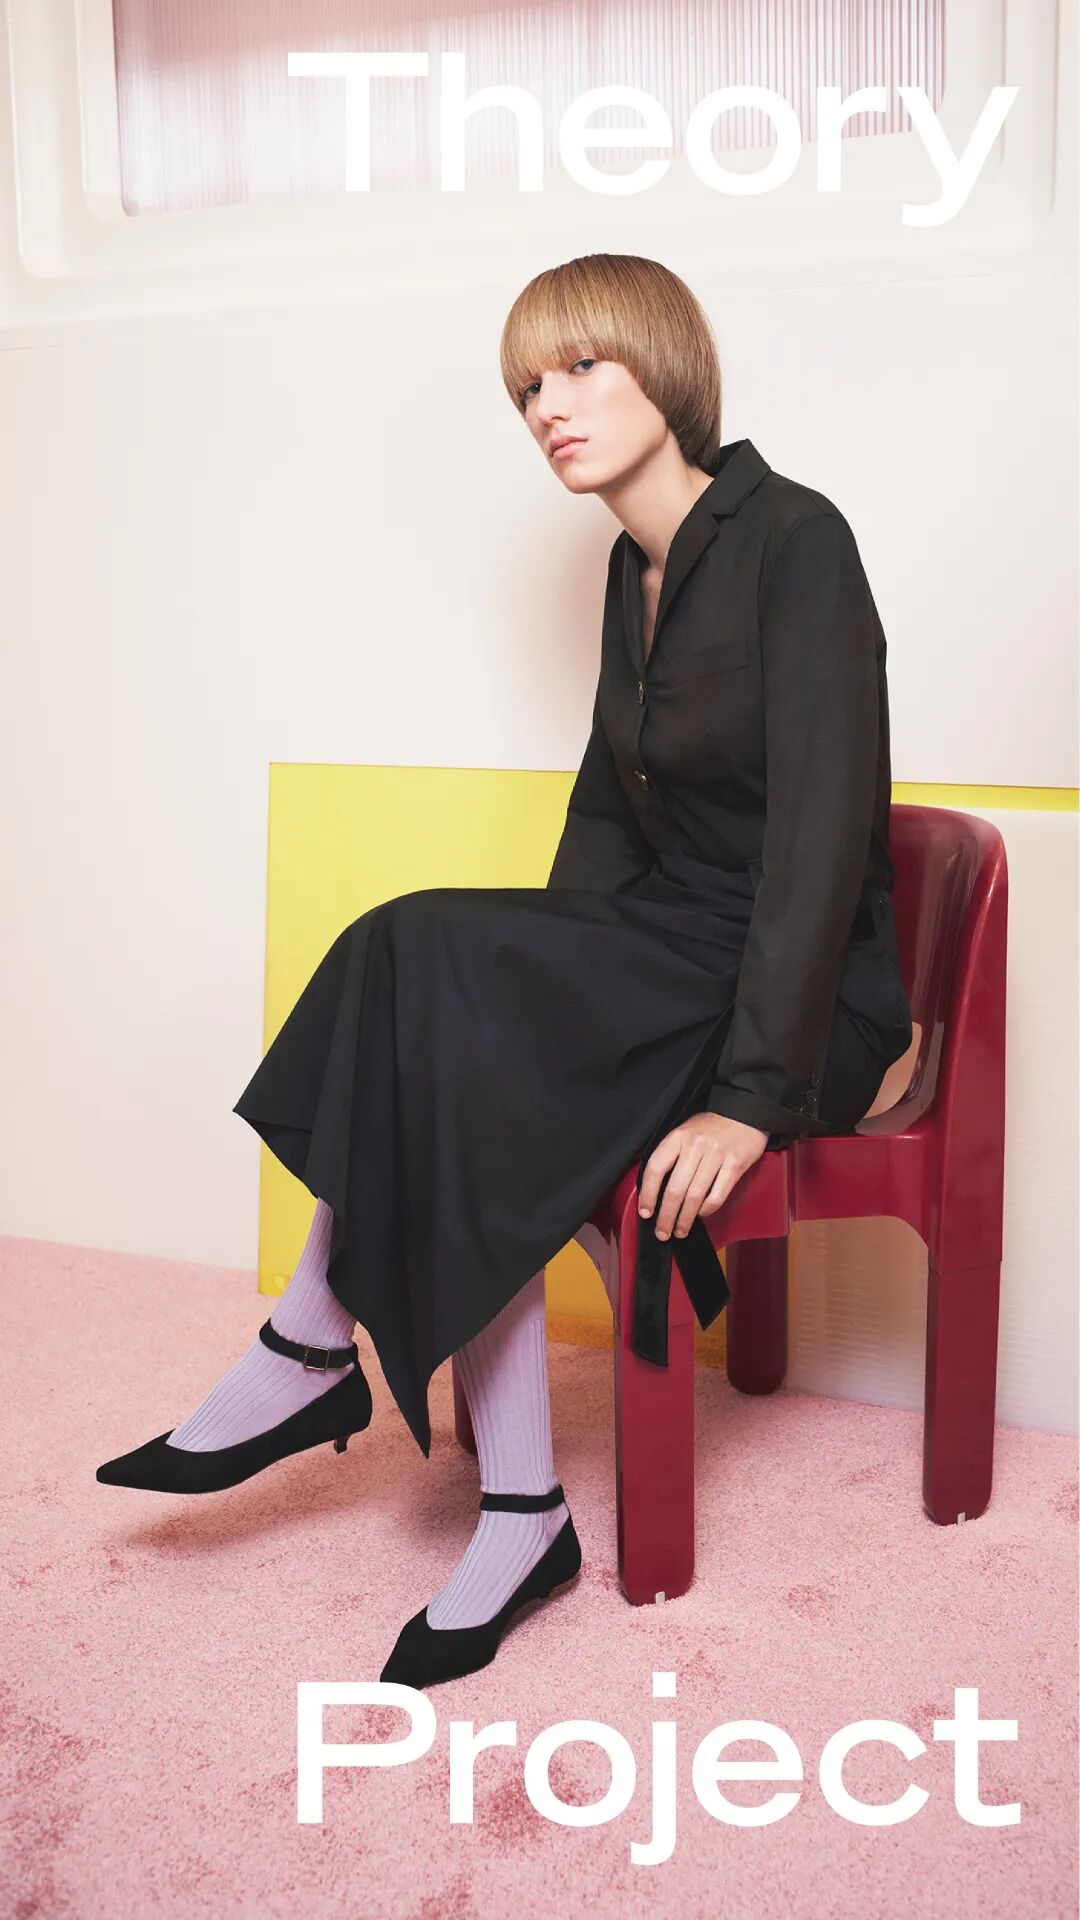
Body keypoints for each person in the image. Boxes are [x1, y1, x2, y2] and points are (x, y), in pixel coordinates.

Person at [96, 253, 914, 1691]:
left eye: (582, 367)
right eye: (527, 386)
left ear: (665, 365)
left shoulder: (798, 540)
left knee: (445, 978)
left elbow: (820, 843)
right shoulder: (629, 572)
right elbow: (610, 810)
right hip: (670, 954)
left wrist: (750, 1099)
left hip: (800, 997)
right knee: (422, 961)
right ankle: (497, 1489)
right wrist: (539, 986)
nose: (548, 406)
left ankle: (315, 1355)